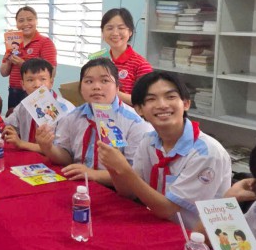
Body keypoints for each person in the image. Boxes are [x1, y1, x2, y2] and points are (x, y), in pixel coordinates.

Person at [98, 71, 230, 228]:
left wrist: (125, 169)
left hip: (194, 235)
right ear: (139, 109)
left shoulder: (207, 153)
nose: (162, 105)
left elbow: (167, 209)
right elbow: (129, 192)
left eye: (170, 97)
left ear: (186, 104)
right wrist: (113, 167)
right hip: (156, 224)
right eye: (151, 99)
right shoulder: (148, 141)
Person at [39, 58, 151, 187]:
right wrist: (48, 148)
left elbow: (136, 175)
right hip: (79, 184)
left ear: (117, 88)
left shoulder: (135, 123)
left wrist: (94, 174)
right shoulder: (72, 117)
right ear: (81, 88)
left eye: (105, 81)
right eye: (89, 81)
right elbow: (66, 156)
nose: (96, 87)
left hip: (116, 190)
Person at [3, 58, 68, 155]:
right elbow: (7, 125)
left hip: (52, 160)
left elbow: (63, 152)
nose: (37, 85)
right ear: (23, 84)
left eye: (43, 79)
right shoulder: (23, 105)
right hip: (26, 157)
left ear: (51, 82)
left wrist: (21, 143)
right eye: (30, 80)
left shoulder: (64, 110)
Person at [89, 8, 152, 104]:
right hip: (98, 111)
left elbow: (146, 101)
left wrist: (114, 93)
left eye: (121, 28)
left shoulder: (141, 65)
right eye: (109, 28)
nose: (115, 33)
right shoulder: (98, 60)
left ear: (130, 32)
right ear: (103, 32)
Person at [0, 5, 56, 111]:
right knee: (14, 119)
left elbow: (51, 72)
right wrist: (9, 60)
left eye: (30, 19)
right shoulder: (12, 43)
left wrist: (23, 64)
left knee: (38, 119)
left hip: (37, 92)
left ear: (36, 21)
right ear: (16, 23)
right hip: (14, 92)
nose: (25, 24)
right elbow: (3, 73)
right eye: (21, 20)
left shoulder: (45, 42)